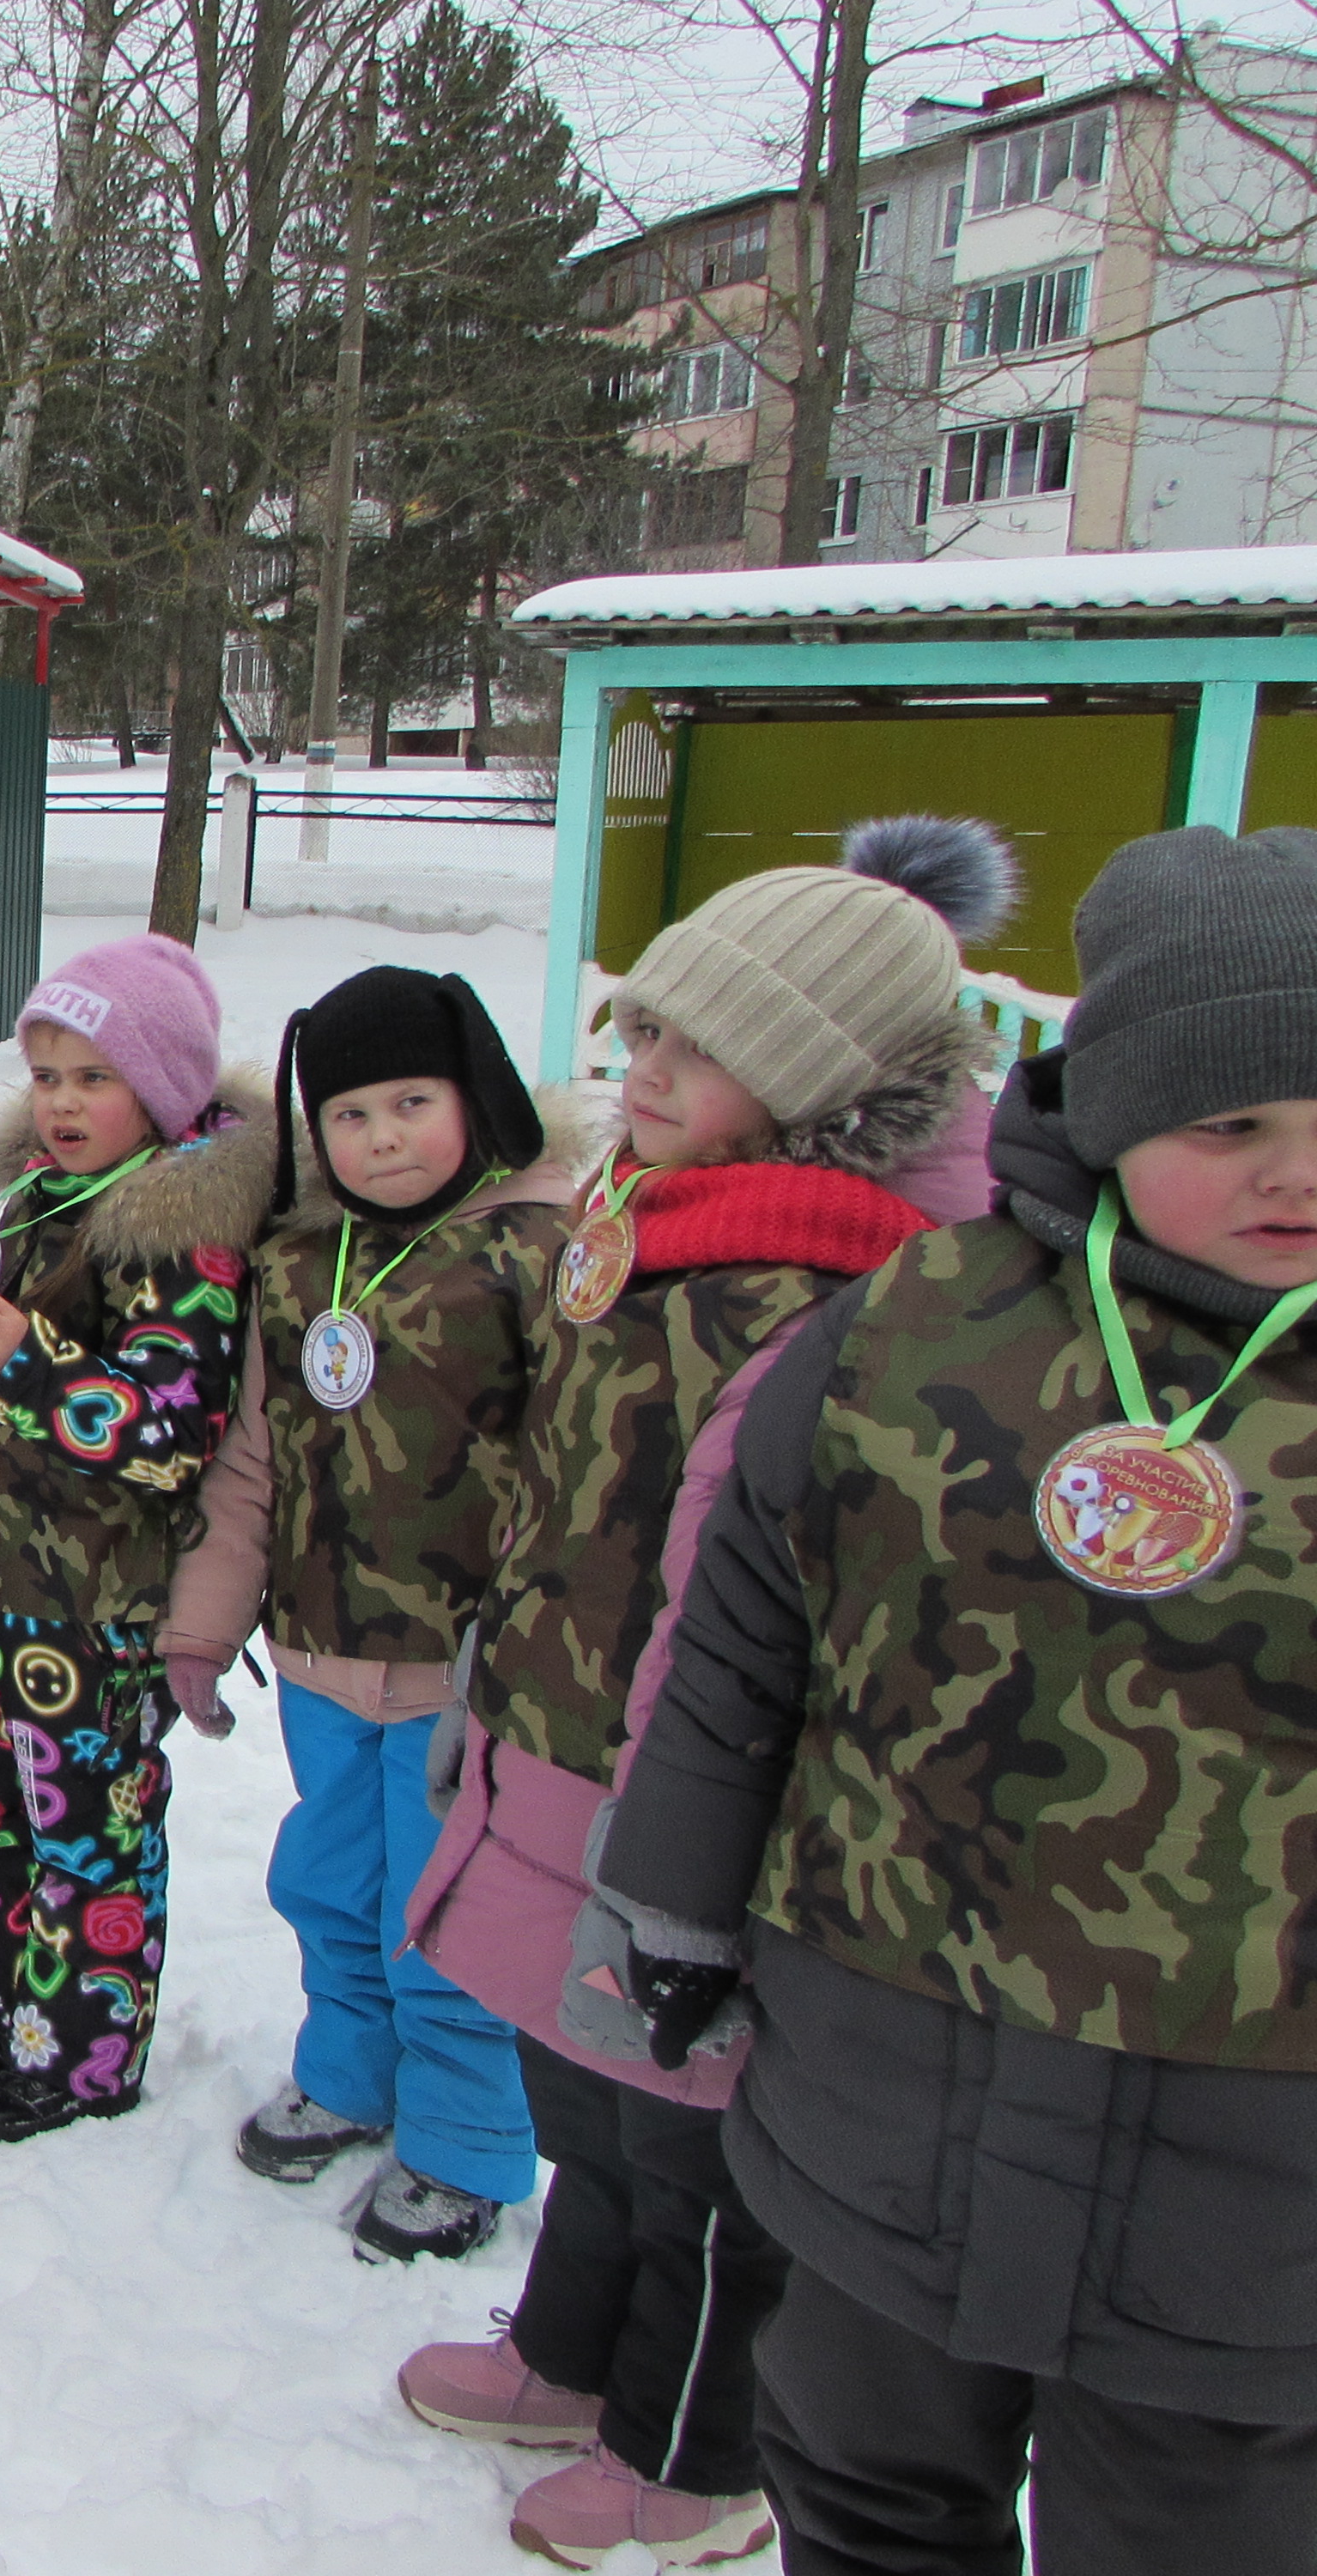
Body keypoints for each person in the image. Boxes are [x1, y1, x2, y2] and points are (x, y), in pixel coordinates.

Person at [592, 824, 1317, 2575]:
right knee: (860, 2494)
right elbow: (744, 1638)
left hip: (1252, 2172)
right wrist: (669, 1902)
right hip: (884, 2081)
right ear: (1114, 1100)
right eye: (1226, 1124)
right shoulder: (918, 1325)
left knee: (1185, 2538)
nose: (1290, 1173)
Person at [392, 817, 1015, 2569]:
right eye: (637, 1029)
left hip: (694, 1789)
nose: (634, 1067)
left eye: (688, 1043)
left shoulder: (838, 1291)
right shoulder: (656, 1225)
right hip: (563, 1736)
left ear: (808, 1078)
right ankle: (575, 2353)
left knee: (693, 2145)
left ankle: (694, 2456)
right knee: (583, 2102)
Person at [161, 966, 576, 2256]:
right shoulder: (299, 1267)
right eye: (349, 1115)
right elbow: (253, 1463)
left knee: (451, 1914)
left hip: (471, 1677)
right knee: (333, 1885)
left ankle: (465, 2145)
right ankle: (350, 2077)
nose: (382, 1138)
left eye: (413, 1102)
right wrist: (203, 1625)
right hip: (325, 1653)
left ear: (480, 1100)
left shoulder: (539, 1256)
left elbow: (579, 1471)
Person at [0, 936, 270, 2141]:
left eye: (96, 1078)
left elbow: (174, 1426)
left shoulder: (181, 1237)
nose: (64, 1104)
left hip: (92, 1603)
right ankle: (12, 2010)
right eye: (49, 1076)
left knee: (90, 1834)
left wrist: (24, 1358)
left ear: (166, 1089)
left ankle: (81, 2056)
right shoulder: (37, 1202)